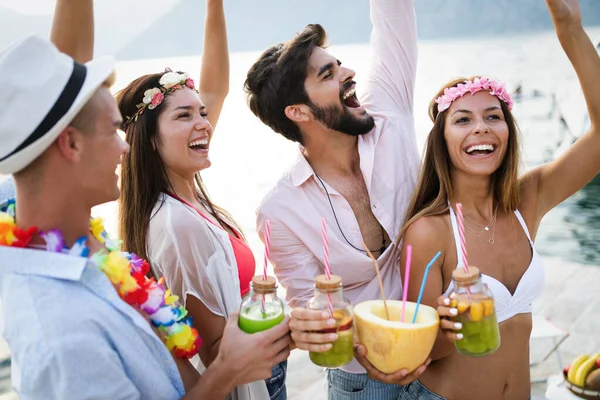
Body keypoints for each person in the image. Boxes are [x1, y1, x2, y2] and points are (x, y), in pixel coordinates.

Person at [0, 5, 291, 400]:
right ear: (69, 143)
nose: (125, 146)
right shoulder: (62, 336)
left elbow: (65, 73)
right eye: (112, 131)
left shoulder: (38, 214)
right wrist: (227, 370)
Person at [398, 0, 600, 399]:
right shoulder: (428, 232)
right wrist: (446, 324)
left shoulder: (529, 200)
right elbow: (421, 354)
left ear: (508, 131)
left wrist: (570, 26)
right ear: (441, 140)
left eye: (493, 116)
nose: (481, 129)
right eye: (463, 119)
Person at [244, 0, 428, 398]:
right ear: (298, 111)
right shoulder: (280, 211)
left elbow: (394, 14)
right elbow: (307, 305)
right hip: (358, 373)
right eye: (328, 74)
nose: (348, 73)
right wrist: (315, 326)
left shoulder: (389, 116)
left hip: (436, 352)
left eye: (338, 63)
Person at [116, 1, 288, 399]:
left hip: (266, 368)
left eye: (203, 113)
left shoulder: (184, 196)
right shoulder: (177, 223)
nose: (204, 124)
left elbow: (214, 87)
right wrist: (289, 328)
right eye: (183, 117)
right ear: (149, 141)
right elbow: (215, 352)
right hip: (255, 379)